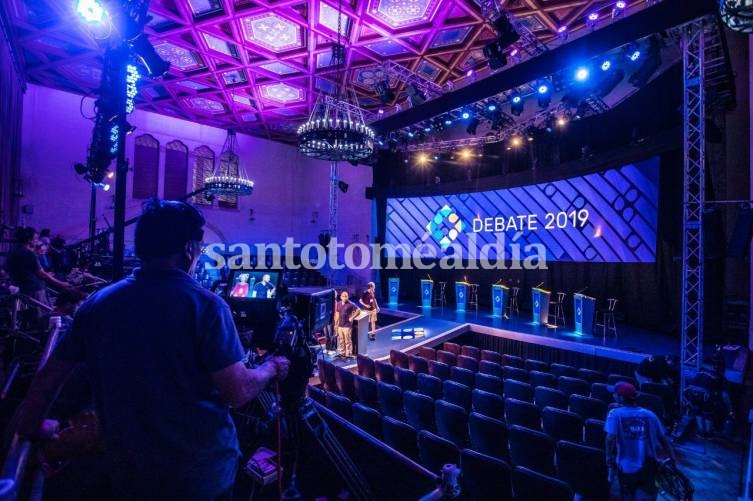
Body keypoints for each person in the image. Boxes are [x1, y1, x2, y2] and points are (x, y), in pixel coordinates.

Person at [17, 199, 290, 500]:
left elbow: (48, 377)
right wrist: (271, 368)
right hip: (198, 476)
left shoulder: (98, 304)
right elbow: (237, 392)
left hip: (127, 472)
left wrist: (32, 426)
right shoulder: (207, 307)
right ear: (189, 249)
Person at [605, 382, 677, 501]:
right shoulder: (650, 415)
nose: (613, 395)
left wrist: (608, 456)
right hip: (648, 467)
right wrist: (672, 458)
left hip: (625, 468)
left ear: (621, 397)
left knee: (628, 496)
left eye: (615, 394)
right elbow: (664, 440)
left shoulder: (615, 414)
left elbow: (610, 438)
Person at [5, 226, 70, 307]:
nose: (37, 241)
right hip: (34, 290)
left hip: (21, 288)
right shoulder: (29, 253)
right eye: (36, 238)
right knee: (41, 314)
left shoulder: (12, 251)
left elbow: (10, 269)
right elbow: (41, 273)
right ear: (29, 240)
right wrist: (60, 283)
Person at [333, 290, 360, 359]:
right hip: (340, 325)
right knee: (341, 340)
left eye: (346, 296)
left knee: (347, 340)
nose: (344, 297)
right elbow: (337, 314)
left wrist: (352, 317)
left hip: (347, 326)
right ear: (341, 297)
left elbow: (358, 310)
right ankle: (343, 353)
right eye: (343, 296)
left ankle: (349, 354)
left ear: (348, 297)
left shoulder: (351, 304)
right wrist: (336, 324)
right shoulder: (338, 304)